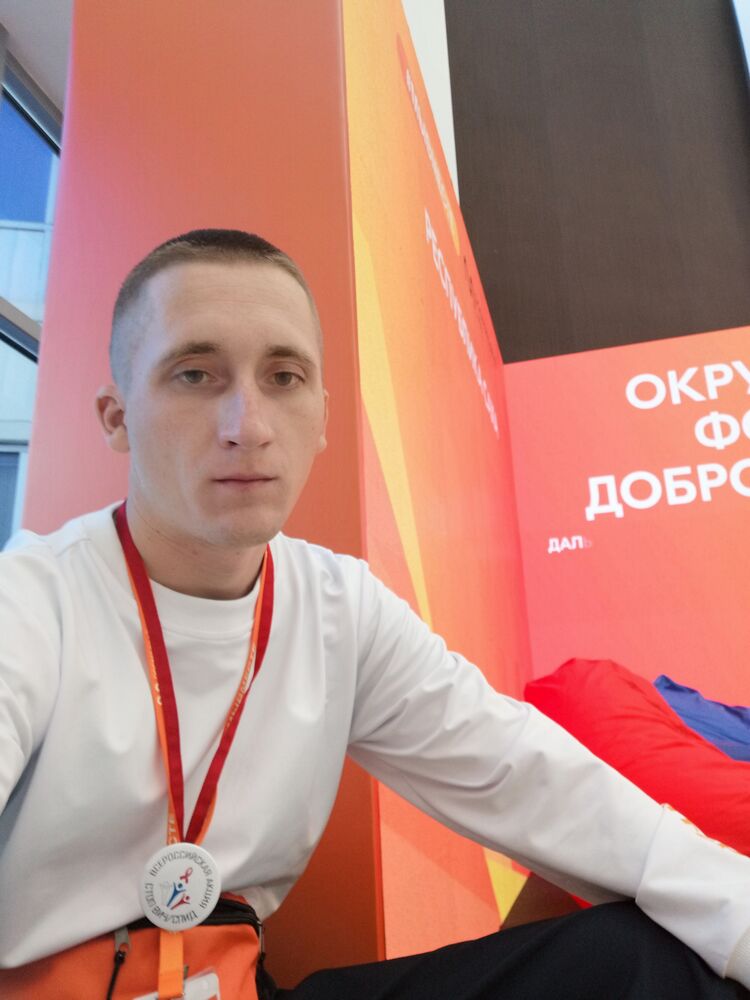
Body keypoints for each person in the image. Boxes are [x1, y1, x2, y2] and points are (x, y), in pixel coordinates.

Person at [0, 228, 748, 1000]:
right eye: (195, 374)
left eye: (283, 377)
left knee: (658, 956)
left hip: (229, 986)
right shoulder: (30, 602)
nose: (248, 424)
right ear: (116, 417)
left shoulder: (337, 609)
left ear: (323, 417)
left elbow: (529, 778)